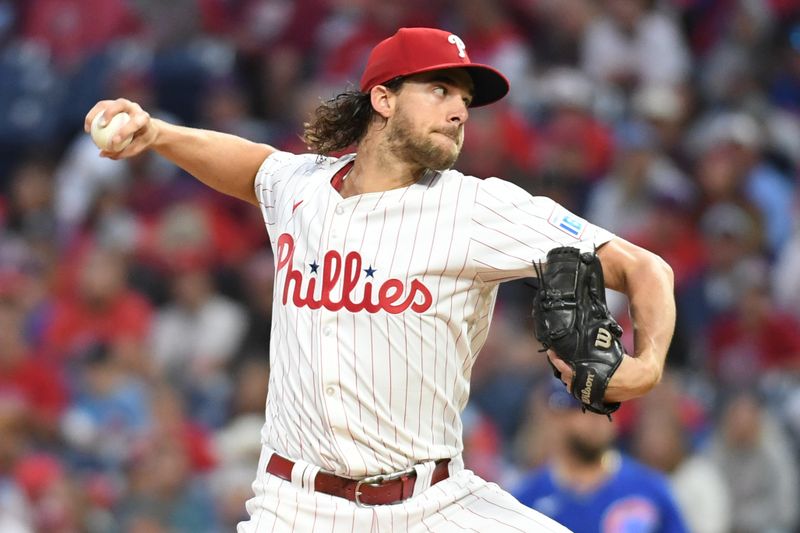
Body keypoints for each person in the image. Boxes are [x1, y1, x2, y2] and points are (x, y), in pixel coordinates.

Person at [85, 26, 675, 532]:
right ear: (384, 99)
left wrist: (645, 370)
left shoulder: (479, 209)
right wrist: (158, 133)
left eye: (466, 99)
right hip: (298, 507)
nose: (459, 111)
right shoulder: (302, 189)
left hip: (434, 503)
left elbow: (646, 268)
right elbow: (253, 167)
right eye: (440, 90)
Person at [514, 383, 689, 533]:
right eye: (585, 408)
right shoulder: (528, 498)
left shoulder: (650, 489)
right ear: (558, 418)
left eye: (606, 406)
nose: (598, 417)